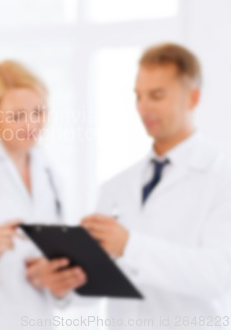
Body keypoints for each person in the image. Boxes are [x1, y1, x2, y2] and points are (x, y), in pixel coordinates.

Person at [81, 43, 231, 329]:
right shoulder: (116, 186)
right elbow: (97, 285)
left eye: (157, 95)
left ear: (193, 98)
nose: (144, 107)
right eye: (139, 96)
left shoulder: (222, 178)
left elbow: (219, 275)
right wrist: (68, 279)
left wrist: (130, 246)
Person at [0, 60, 86, 330]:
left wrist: (52, 278)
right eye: (17, 116)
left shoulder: (49, 173)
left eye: (38, 112)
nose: (31, 124)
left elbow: (62, 258)